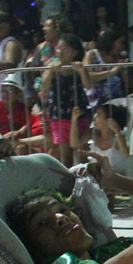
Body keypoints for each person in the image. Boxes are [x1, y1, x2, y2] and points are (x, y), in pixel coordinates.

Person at [40, 33, 92, 167]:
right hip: (60, 114)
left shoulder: (78, 67)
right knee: (65, 155)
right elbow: (44, 87)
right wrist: (51, 71)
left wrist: (81, 71)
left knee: (82, 153)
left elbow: (88, 85)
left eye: (65, 49)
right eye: (59, 48)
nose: (61, 52)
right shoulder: (51, 66)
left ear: (74, 52)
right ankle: (69, 184)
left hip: (79, 112)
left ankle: (87, 182)